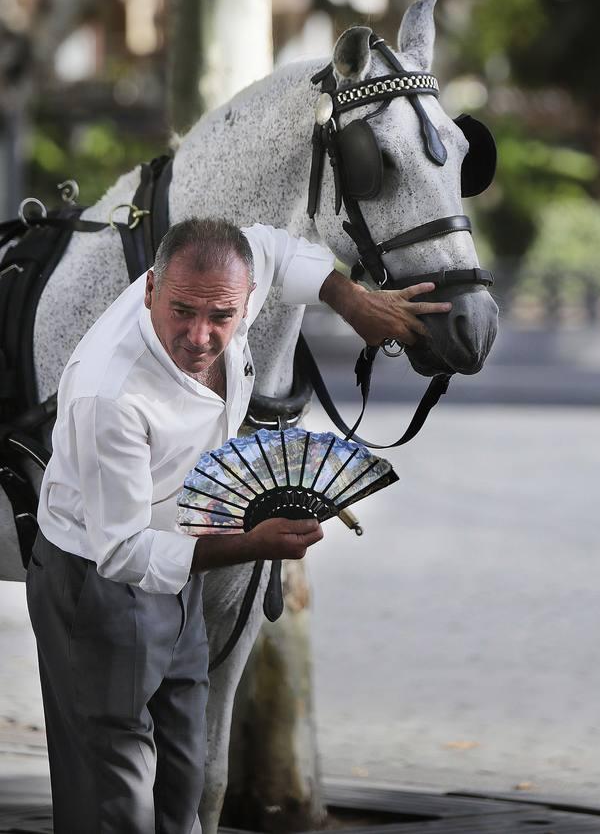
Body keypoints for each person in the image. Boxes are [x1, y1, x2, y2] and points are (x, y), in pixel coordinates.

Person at [26, 217, 451, 833]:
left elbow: (277, 247)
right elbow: (121, 553)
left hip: (180, 567)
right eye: (182, 312)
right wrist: (251, 544)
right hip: (96, 583)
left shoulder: (228, 279)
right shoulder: (108, 394)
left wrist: (351, 299)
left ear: (247, 300)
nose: (200, 336)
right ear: (150, 290)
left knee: (185, 772)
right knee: (112, 797)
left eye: (221, 317)